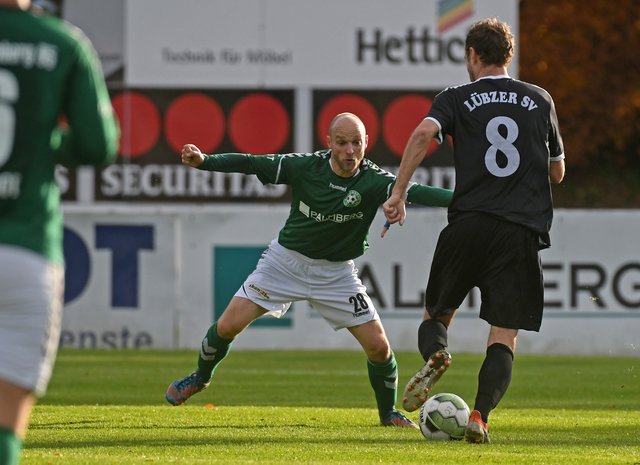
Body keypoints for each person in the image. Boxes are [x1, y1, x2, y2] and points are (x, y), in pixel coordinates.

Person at [165, 112, 453, 429]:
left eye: (356, 143)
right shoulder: (305, 167)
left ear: (366, 143)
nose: (350, 151)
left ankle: (388, 414)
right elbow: (251, 163)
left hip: (336, 275)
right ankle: (200, 377)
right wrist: (206, 161)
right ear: (329, 143)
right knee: (227, 326)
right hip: (284, 264)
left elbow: (418, 192)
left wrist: (469, 202)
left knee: (378, 347)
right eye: (342, 143)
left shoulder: (374, 180)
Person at [383, 18, 565, 444]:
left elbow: (423, 134)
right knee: (504, 334)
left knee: (436, 315)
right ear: (509, 55)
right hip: (519, 231)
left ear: (471, 54)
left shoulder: (455, 97)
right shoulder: (540, 99)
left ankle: (437, 353)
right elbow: (557, 172)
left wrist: (399, 192)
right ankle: (480, 416)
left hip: (468, 223)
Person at [0, 2, 119, 463]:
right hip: (27, 249)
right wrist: (42, 141)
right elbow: (96, 145)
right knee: (6, 422)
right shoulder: (63, 42)